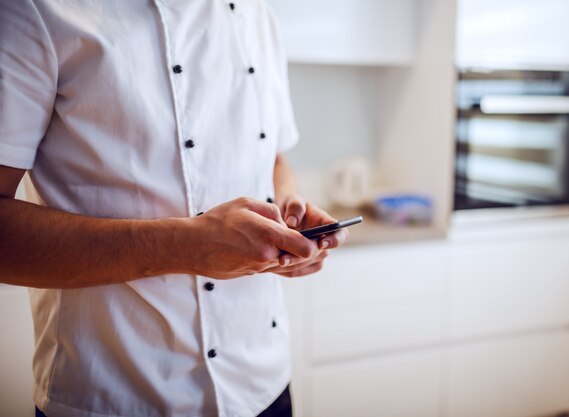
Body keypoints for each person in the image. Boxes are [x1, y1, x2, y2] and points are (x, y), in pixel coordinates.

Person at [0, 1, 348, 416]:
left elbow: (272, 158)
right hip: (115, 395)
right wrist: (188, 246)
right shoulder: (34, 9)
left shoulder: (257, 14)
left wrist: (289, 219)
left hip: (263, 383)